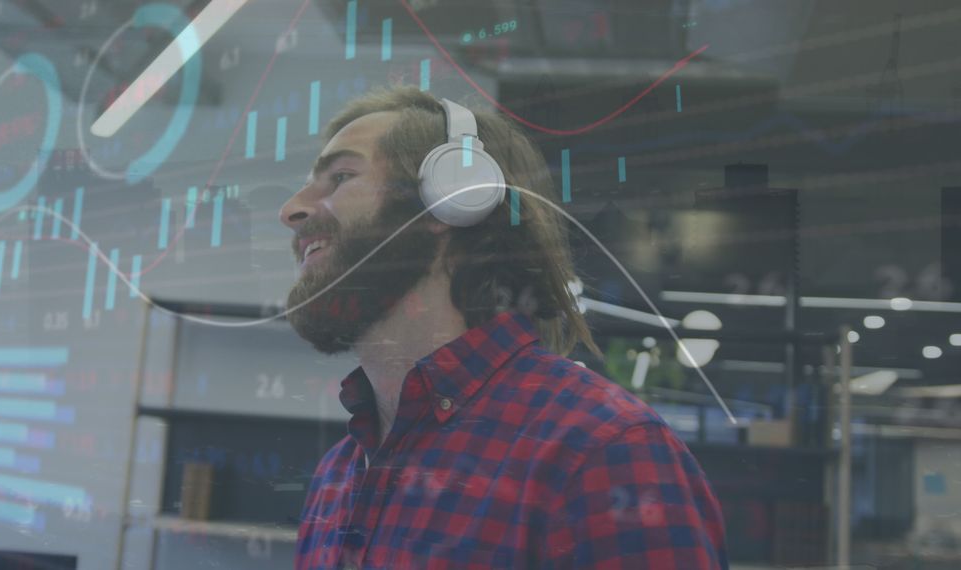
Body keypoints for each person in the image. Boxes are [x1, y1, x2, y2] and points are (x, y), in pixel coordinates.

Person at [281, 86, 727, 569]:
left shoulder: (606, 452)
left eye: (341, 176)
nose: (291, 210)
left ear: (450, 198)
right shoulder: (338, 474)